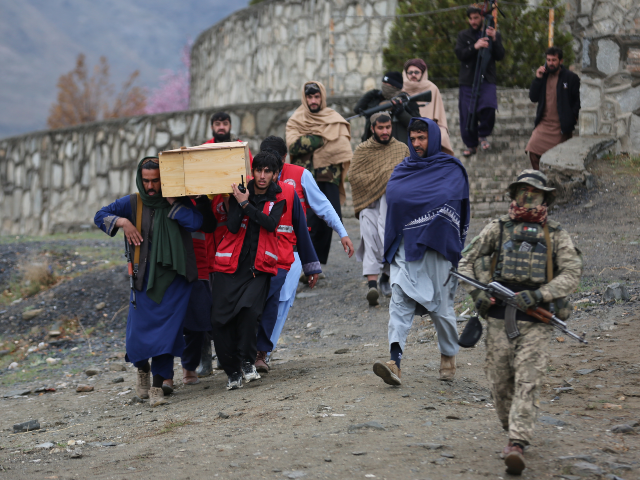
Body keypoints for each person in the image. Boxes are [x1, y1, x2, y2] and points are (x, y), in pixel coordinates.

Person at [458, 169, 582, 475]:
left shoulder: (556, 235)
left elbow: (571, 273)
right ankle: (510, 425)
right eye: (522, 192)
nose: (528, 198)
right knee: (500, 385)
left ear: (545, 197)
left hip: (536, 322)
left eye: (535, 193)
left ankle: (517, 442)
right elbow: (466, 262)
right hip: (498, 320)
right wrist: (478, 295)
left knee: (528, 381)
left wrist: (540, 294)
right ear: (514, 195)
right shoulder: (497, 229)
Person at [94, 157, 202, 407]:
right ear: (140, 179)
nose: (151, 186)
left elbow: (198, 223)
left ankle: (157, 386)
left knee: (167, 335)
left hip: (176, 280)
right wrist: (122, 222)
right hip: (143, 280)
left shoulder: (179, 200)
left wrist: (175, 204)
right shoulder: (132, 203)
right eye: (146, 181)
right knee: (137, 336)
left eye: (156, 180)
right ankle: (142, 369)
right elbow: (100, 215)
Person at [372, 118, 469, 386]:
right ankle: (395, 362)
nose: (416, 144)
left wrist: (427, 218)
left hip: (437, 246)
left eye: (421, 138)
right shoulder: (404, 169)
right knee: (399, 299)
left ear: (434, 138)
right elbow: (395, 196)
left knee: (441, 308)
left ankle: (448, 355)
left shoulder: (451, 169)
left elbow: (449, 202)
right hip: (407, 246)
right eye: (412, 139)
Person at [254, 136, 354, 372]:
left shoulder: (300, 176)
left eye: (274, 165)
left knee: (281, 299)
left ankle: (263, 352)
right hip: (259, 252)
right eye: (262, 167)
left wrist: (342, 232)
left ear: (284, 159)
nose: (267, 173)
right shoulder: (255, 180)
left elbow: (323, 206)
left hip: (291, 251)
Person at [210, 151, 287, 390]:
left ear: (275, 175)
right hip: (230, 267)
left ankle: (247, 361)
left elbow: (270, 223)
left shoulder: (279, 200)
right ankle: (232, 371)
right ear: (252, 172)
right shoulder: (239, 193)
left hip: (258, 269)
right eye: (258, 170)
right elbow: (232, 227)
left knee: (248, 313)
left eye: (267, 172)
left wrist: (245, 204)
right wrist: (236, 201)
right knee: (219, 320)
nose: (262, 176)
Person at [286, 81, 353, 265]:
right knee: (307, 222)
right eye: (310, 97)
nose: (313, 100)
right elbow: (294, 146)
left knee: (330, 219)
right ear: (305, 97)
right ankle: (303, 263)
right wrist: (321, 136)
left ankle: (317, 263)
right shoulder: (296, 119)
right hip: (304, 176)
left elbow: (341, 147)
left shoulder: (333, 118)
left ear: (322, 97)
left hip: (328, 176)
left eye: (317, 97)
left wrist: (311, 139)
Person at [350, 112, 409, 306]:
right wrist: (383, 179)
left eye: (388, 127)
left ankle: (387, 277)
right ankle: (372, 286)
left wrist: (389, 182)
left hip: (391, 205)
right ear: (372, 128)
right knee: (369, 237)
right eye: (380, 128)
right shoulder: (362, 150)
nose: (385, 131)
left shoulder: (401, 149)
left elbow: (408, 174)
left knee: (388, 238)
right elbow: (354, 176)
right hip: (369, 203)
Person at [455, 5, 505, 157]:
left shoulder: (494, 34)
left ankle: (482, 134)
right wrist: (475, 47)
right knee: (466, 114)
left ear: (483, 17)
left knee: (489, 106)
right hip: (468, 79)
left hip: (487, 78)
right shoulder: (463, 35)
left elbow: (500, 55)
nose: (473, 21)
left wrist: (494, 39)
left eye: (476, 18)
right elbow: (460, 54)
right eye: (470, 18)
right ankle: (471, 145)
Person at [179, 196, 217, 387]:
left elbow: (209, 225)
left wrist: (203, 203)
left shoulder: (202, 200)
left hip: (200, 265)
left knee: (200, 320)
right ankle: (166, 374)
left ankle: (190, 366)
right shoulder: (163, 199)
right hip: (171, 267)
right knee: (173, 323)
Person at [525, 47, 581, 170]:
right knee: (532, 149)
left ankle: (552, 183)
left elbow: (577, 100)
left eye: (554, 60)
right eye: (548, 60)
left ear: (560, 61)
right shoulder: (543, 77)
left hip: (561, 126)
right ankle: (540, 179)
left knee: (559, 159)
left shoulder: (571, 78)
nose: (551, 63)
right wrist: (538, 78)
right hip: (543, 124)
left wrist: (573, 118)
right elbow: (533, 97)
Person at [401, 59, 454, 155]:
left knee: (442, 137)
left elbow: (439, 115)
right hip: (406, 127)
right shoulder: (401, 90)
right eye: (410, 72)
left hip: (428, 127)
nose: (413, 75)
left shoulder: (431, 88)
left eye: (417, 72)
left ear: (423, 73)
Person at [353, 71, 420, 145]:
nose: (384, 86)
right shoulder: (376, 98)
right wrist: (370, 94)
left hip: (400, 148)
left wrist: (401, 113)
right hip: (375, 147)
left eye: (387, 84)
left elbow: (417, 126)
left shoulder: (407, 102)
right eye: (383, 84)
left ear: (395, 86)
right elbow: (357, 110)